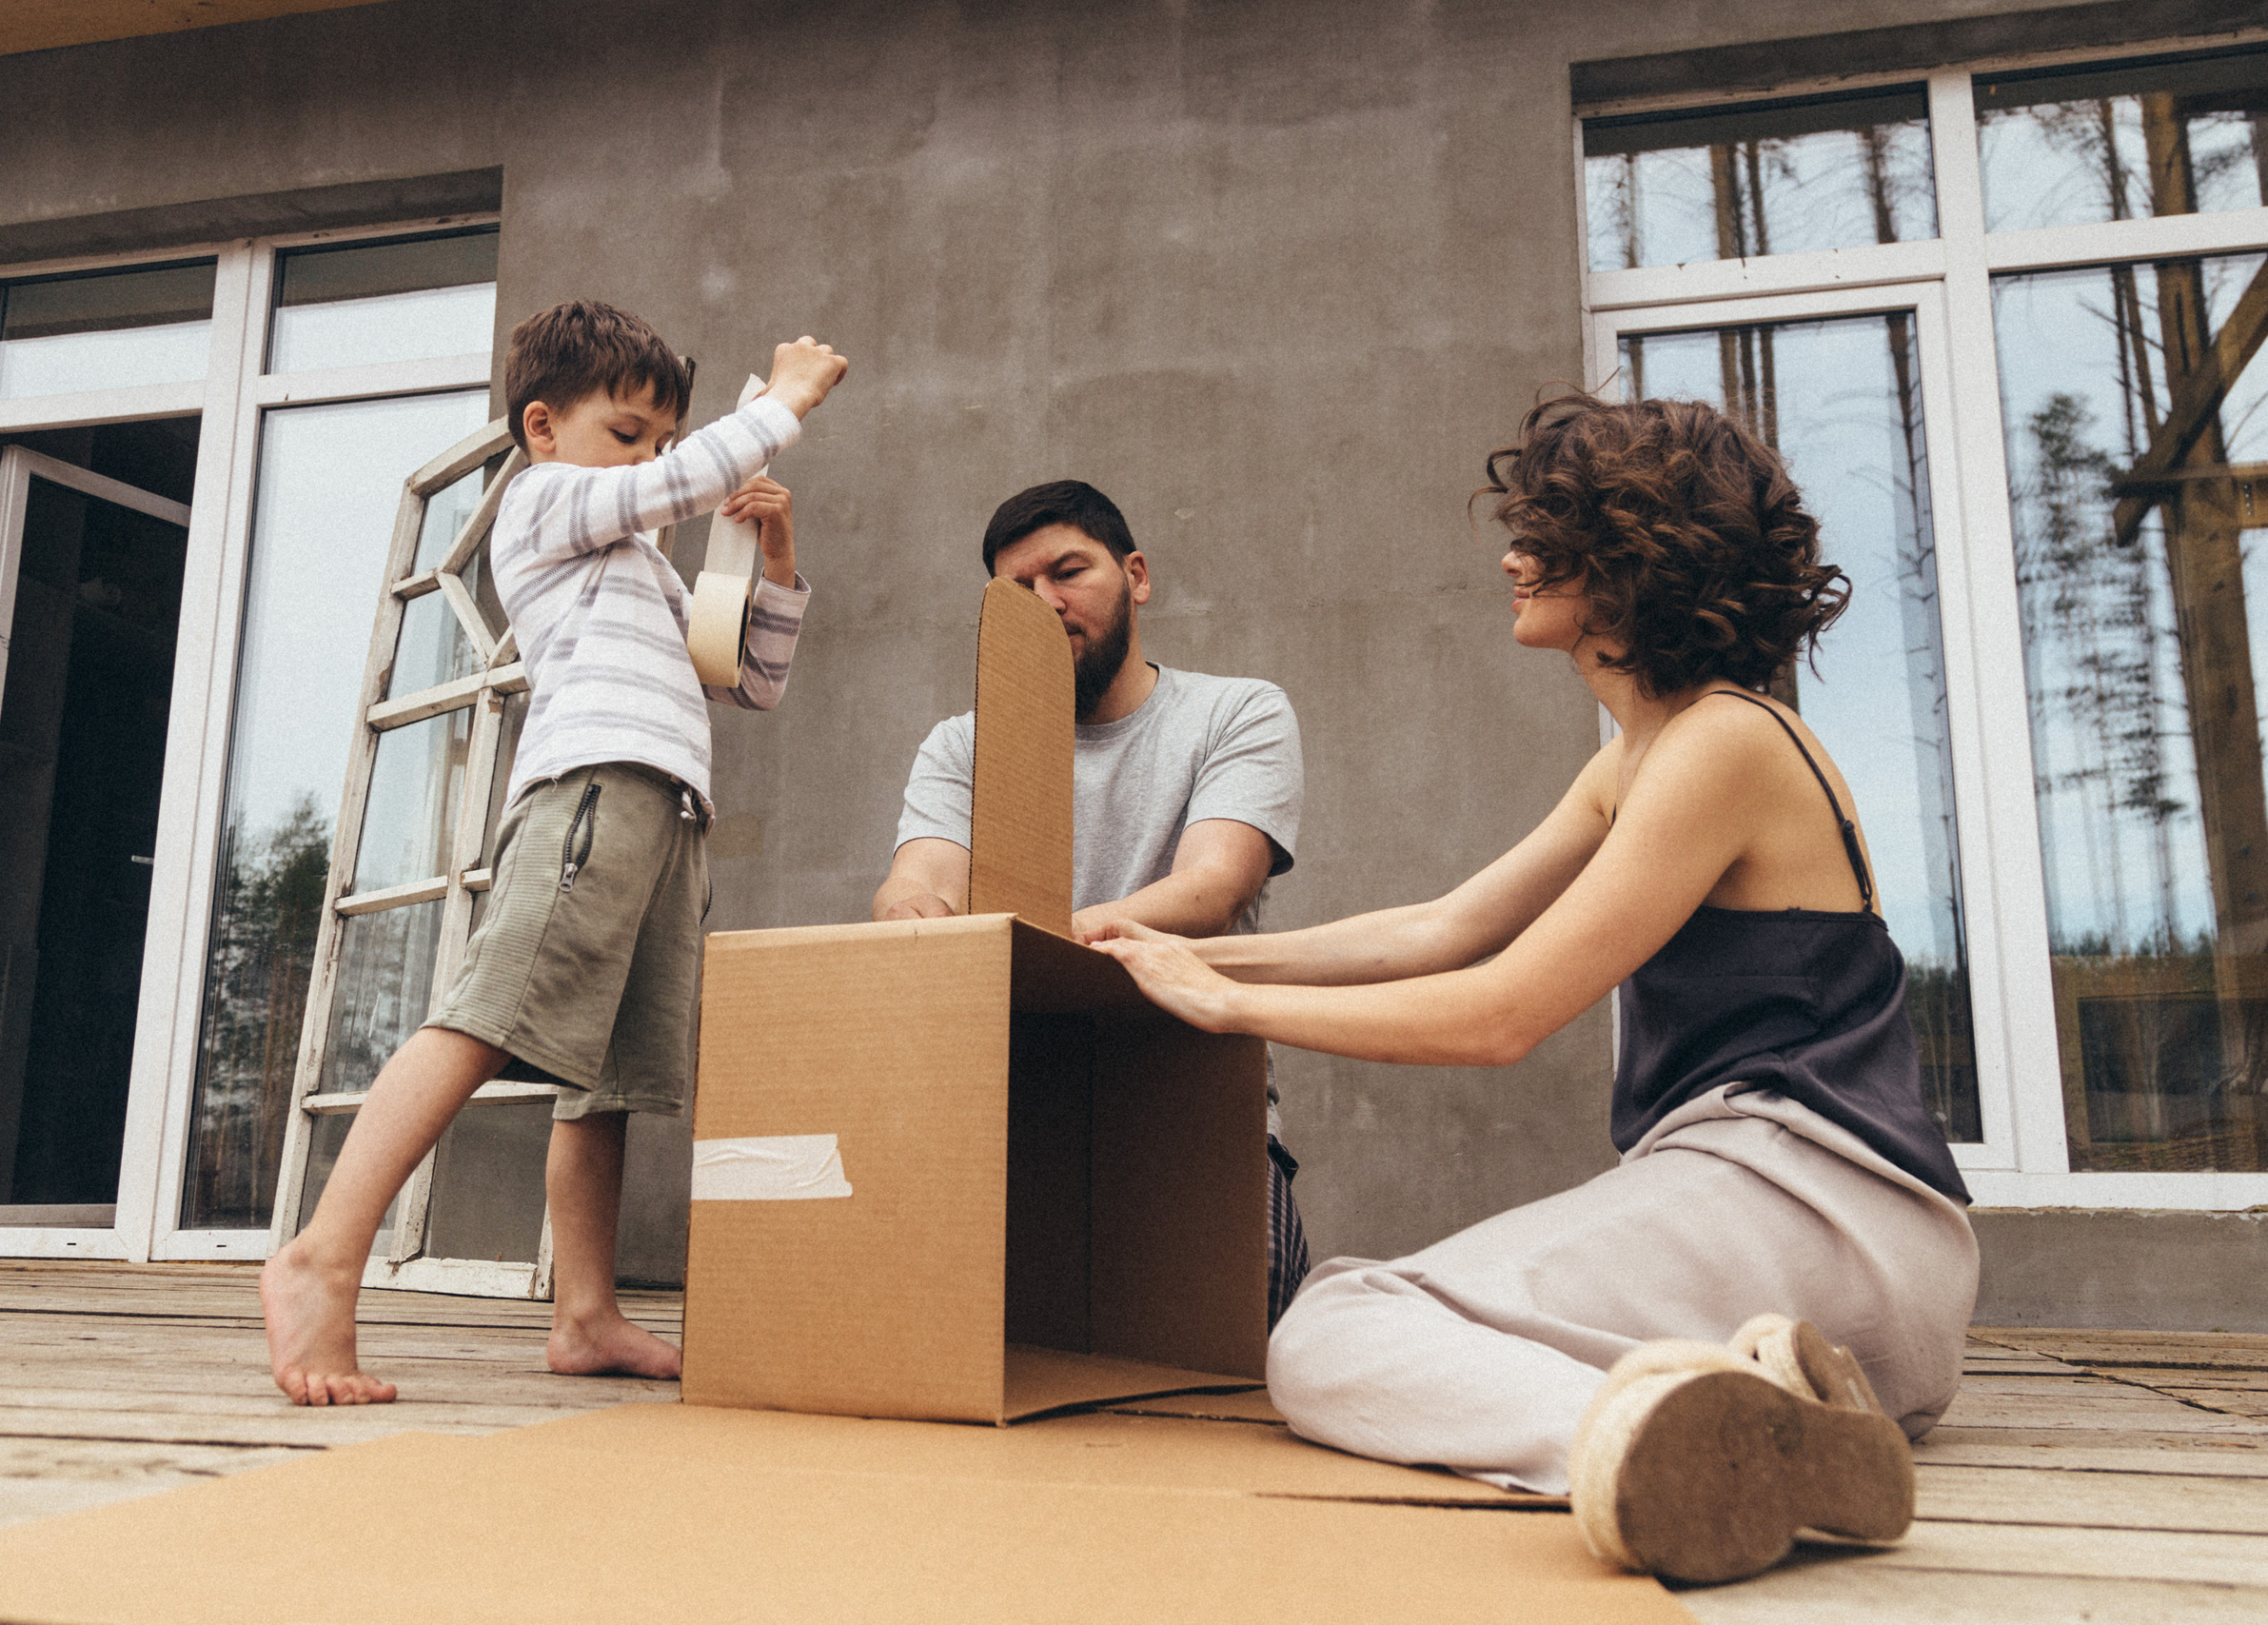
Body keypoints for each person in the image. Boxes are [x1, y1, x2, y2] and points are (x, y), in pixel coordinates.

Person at [1085, 393, 1980, 1583]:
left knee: (1335, 1330)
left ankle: (1699, 1452)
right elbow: (1437, 930)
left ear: (1640, 556)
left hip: (1810, 1200)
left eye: (1550, 533)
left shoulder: (1724, 742)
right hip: (1828, 1255)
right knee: (1379, 1317)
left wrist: (1227, 1005)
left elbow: (1499, 1013)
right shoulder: (1645, 754)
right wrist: (1152, 951)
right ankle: (1783, 1418)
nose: (1512, 556)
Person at [262, 301, 849, 1405]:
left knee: (605, 1079)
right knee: (487, 1016)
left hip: (667, 808)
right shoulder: (543, 504)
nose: (654, 464)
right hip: (593, 792)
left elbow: (748, 680)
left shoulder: (639, 562)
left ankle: (584, 1314)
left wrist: (776, 555)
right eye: (629, 434)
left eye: (663, 443)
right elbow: (664, 492)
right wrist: (780, 405)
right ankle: (321, 1253)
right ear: (542, 426)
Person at [874, 480, 1311, 1324]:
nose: (1046, 604)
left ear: (1137, 575)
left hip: (1189, 1103)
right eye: (1018, 592)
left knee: (1248, 1326)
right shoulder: (961, 744)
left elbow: (1215, 885)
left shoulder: (1236, 712)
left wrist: (1060, 941)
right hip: (1009, 1107)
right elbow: (920, 878)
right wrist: (907, 916)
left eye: (1068, 572)